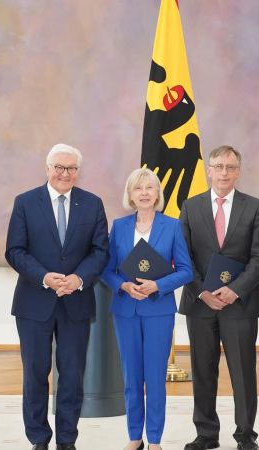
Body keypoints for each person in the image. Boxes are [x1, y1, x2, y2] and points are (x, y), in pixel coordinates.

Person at [6, 143, 109, 450]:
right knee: (35, 374)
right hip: (34, 301)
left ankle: (67, 439)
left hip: (76, 300)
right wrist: (44, 277)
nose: (65, 174)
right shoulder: (25, 202)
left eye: (72, 168)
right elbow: (15, 250)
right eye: (60, 167)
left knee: (72, 375)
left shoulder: (92, 204)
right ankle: (38, 438)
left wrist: (78, 278)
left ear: (78, 172)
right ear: (48, 168)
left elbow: (100, 250)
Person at [178, 145, 259, 450]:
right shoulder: (190, 207)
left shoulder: (255, 207)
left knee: (243, 372)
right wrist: (202, 291)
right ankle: (206, 434)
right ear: (209, 169)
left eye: (230, 167)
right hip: (200, 302)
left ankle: (245, 435)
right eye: (218, 166)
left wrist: (235, 290)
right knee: (203, 371)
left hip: (239, 304)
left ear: (238, 171)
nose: (224, 173)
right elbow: (183, 256)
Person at [101, 168, 193, 450]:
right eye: (138, 188)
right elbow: (106, 269)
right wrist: (123, 286)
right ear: (130, 194)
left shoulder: (173, 226)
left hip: (158, 311)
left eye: (149, 188)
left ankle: (154, 440)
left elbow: (186, 271)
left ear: (157, 194)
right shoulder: (119, 226)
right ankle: (134, 437)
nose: (144, 193)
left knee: (155, 379)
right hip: (126, 310)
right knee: (131, 378)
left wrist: (158, 285)